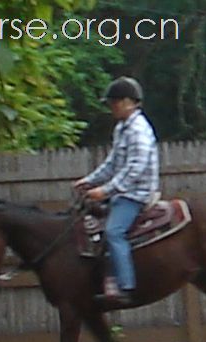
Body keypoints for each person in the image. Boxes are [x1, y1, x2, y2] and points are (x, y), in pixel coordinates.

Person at [73, 76, 159, 305]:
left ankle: (125, 286)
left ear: (128, 102)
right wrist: (90, 181)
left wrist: (106, 191)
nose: (111, 108)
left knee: (114, 231)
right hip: (123, 192)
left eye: (114, 103)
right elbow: (113, 162)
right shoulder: (122, 128)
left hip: (136, 194)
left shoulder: (138, 130)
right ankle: (104, 276)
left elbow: (135, 168)